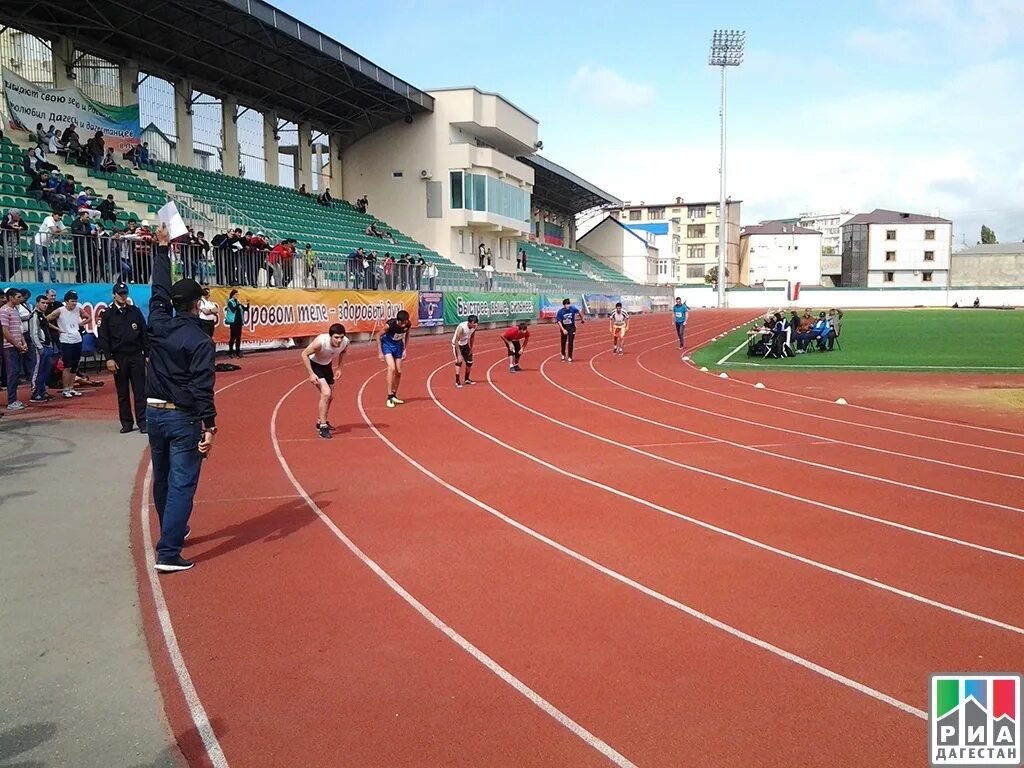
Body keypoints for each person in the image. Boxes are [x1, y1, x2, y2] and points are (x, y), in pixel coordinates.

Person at [146, 224, 217, 573]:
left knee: (162, 479)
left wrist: (162, 250)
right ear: (196, 305)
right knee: (182, 483)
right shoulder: (201, 342)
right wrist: (210, 426)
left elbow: (157, 291)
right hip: (182, 417)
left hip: (153, 415)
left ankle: (171, 531)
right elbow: (202, 386)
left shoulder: (157, 322)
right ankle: (169, 551)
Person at [98, 282, 149, 433]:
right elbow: (103, 338)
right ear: (114, 295)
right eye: (120, 294)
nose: (123, 296)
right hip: (119, 357)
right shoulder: (107, 314)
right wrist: (108, 358)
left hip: (136, 355)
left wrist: (147, 354)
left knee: (140, 391)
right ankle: (126, 422)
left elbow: (144, 333)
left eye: (125, 293)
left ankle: (142, 421)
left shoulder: (134, 311)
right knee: (122, 392)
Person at [300, 323, 349, 439]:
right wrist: (311, 374)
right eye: (336, 337)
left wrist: (340, 368)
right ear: (330, 336)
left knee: (330, 396)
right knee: (326, 393)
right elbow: (304, 354)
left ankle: (321, 421)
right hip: (315, 365)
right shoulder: (320, 342)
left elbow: (343, 352)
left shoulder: (346, 342)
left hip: (327, 365)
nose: (339, 340)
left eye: (341, 337)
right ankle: (322, 427)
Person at [46, 290, 92, 398]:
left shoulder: (78, 309)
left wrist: (81, 323)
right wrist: (58, 329)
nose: (74, 303)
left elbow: (88, 317)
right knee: (67, 366)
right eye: (72, 301)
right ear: (66, 301)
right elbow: (46, 319)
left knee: (74, 366)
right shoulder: (60, 311)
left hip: (77, 339)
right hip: (66, 340)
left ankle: (71, 388)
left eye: (76, 301)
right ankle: (65, 389)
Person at [373, 309, 411, 408]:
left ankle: (394, 394)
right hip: (387, 346)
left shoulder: (407, 324)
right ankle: (389, 396)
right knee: (391, 368)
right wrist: (380, 352)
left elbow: (407, 335)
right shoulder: (389, 325)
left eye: (405, 323)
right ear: (397, 320)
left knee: (399, 372)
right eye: (401, 323)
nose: (403, 325)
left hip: (399, 346)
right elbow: (377, 335)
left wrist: (405, 349)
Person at [1, 288, 29, 411]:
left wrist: (23, 342)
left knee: (16, 372)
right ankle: (11, 401)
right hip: (9, 347)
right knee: (12, 373)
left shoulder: (15, 310)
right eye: (18, 297)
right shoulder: (4, 311)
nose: (20, 299)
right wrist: (17, 345)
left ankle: (14, 400)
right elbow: (5, 331)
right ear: (11, 298)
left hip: (17, 345)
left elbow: (19, 329)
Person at [28, 294, 57, 403]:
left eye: (46, 303)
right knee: (38, 369)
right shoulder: (34, 316)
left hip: (47, 345)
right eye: (43, 303)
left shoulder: (42, 315)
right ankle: (35, 393)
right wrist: (39, 347)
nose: (45, 305)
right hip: (40, 346)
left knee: (45, 370)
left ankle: (42, 390)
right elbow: (33, 333)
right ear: (37, 303)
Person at [451, 314, 478, 388]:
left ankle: (467, 379)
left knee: (469, 362)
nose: (475, 324)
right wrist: (459, 354)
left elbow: (472, 336)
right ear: (470, 322)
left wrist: (471, 348)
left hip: (465, 344)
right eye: (474, 323)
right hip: (457, 344)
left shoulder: (474, 327)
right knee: (459, 361)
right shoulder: (462, 328)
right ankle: (457, 381)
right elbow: (456, 341)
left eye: (476, 323)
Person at [555, 298, 583, 362]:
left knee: (570, 342)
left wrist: (582, 319)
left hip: (571, 327)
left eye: (568, 304)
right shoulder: (560, 312)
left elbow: (579, 312)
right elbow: (558, 321)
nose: (568, 306)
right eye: (566, 304)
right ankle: (563, 354)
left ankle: (570, 356)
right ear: (564, 305)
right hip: (564, 327)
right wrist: (563, 329)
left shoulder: (573, 309)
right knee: (563, 342)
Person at [224, 289, 249, 358]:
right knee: (233, 337)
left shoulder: (238, 302)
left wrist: (247, 304)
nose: (237, 296)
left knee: (238, 337)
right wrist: (238, 305)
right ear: (232, 295)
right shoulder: (230, 302)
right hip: (233, 321)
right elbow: (233, 309)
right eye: (236, 294)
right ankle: (230, 352)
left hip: (239, 321)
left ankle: (238, 351)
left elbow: (245, 309)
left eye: (238, 295)